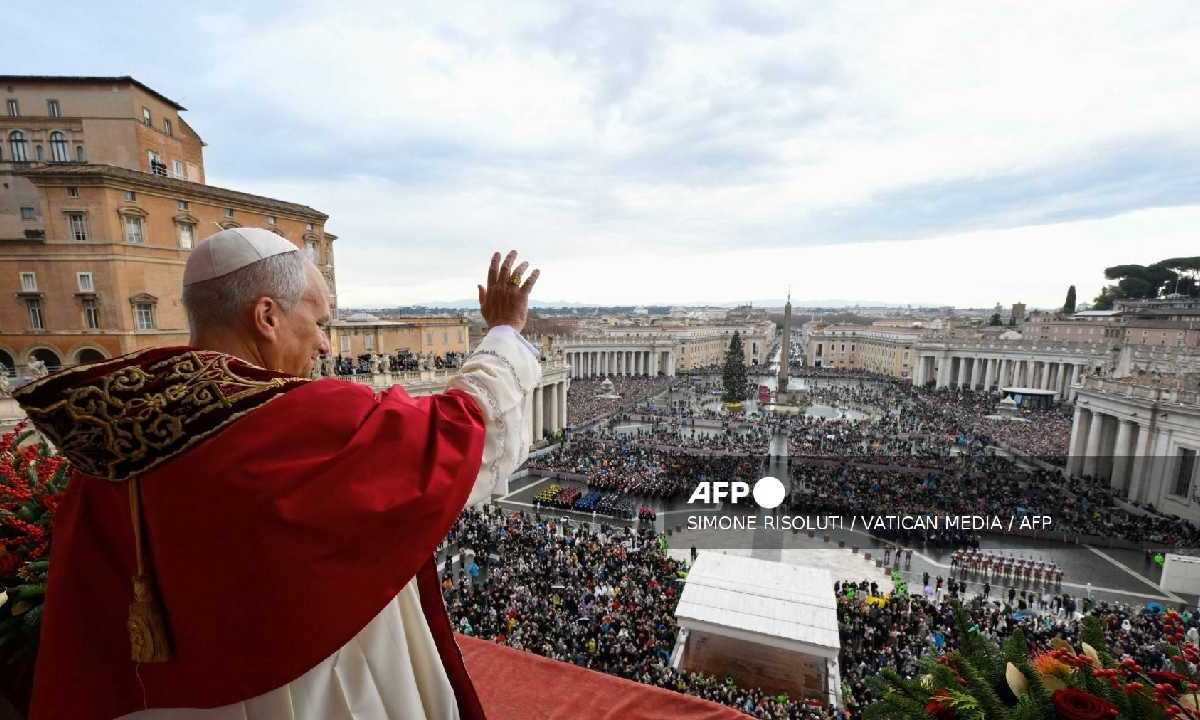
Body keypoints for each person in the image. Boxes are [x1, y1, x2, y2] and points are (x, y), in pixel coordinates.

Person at [15, 229, 544, 720]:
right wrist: (503, 330)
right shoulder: (299, 421)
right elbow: (463, 428)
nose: (325, 346)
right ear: (266, 317)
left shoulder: (113, 439)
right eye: (318, 323)